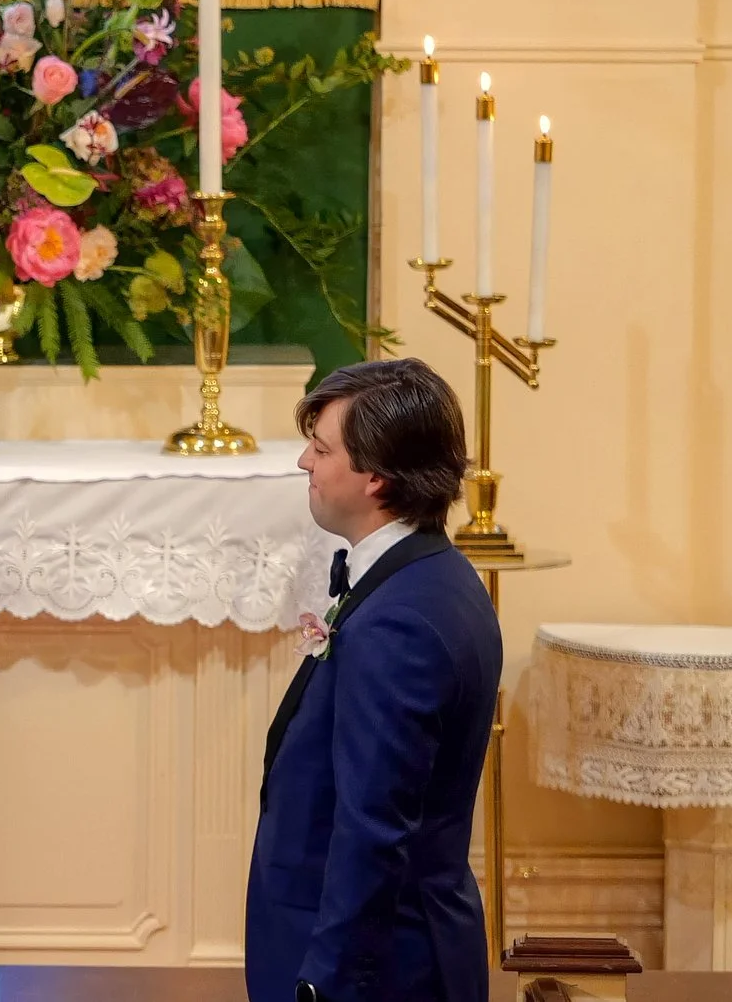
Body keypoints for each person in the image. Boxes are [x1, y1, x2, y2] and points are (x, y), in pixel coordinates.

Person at [246, 359, 501, 1002]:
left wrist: (324, 983)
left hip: (379, 972)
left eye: (322, 448)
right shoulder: (429, 577)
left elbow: (375, 829)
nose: (305, 462)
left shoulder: (403, 622)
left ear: (376, 476)